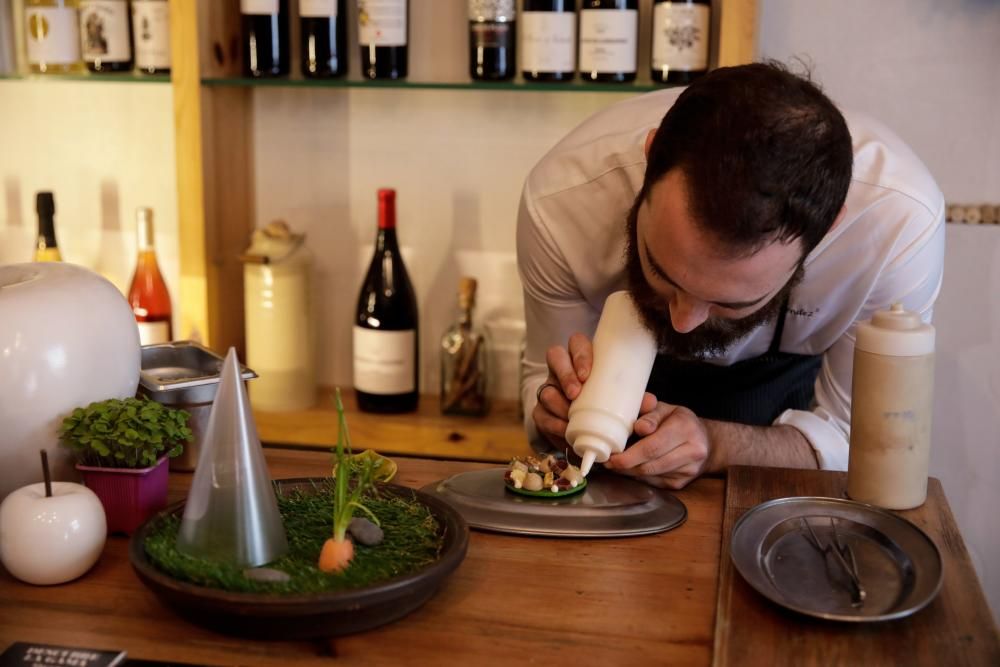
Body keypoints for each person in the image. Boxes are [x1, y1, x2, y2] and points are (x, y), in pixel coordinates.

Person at [517, 62, 945, 490]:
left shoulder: (895, 227)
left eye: (731, 302)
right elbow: (541, 383)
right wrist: (557, 412)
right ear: (649, 163)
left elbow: (861, 444)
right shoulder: (564, 201)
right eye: (661, 272)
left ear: (827, 230)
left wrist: (718, 444)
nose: (684, 320)